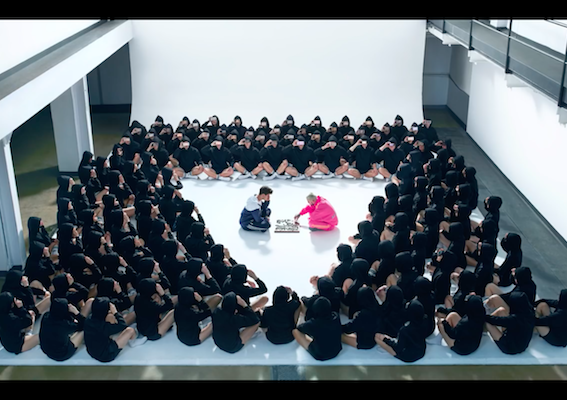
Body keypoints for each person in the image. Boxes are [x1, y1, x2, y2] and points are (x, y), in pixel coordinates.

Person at [84, 297, 137, 363]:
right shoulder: (104, 327)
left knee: (110, 319)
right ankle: (133, 342)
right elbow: (123, 325)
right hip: (106, 355)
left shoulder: (88, 319)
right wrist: (115, 312)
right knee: (130, 330)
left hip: (91, 351)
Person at [39, 297, 93, 362]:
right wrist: (76, 313)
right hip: (61, 354)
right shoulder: (65, 325)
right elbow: (84, 325)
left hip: (47, 351)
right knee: (83, 330)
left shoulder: (46, 316)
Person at [375, 299, 427, 363]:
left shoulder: (404, 330)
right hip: (421, 351)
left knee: (378, 337)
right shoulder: (425, 322)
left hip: (408, 356)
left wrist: (386, 340)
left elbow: (398, 348)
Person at [484, 291, 535, 355]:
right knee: (501, 310)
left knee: (488, 322)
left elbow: (493, 320)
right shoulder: (529, 314)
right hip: (521, 343)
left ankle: (482, 329)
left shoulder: (515, 319)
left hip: (510, 347)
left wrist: (481, 315)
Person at [293, 297, 343, 361]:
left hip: (320, 355)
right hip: (337, 351)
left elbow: (300, 328)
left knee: (295, 331)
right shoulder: (336, 316)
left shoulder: (314, 323)